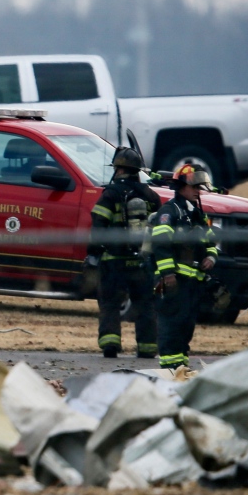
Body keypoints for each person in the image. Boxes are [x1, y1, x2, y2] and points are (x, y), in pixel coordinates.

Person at [86, 147, 161, 359]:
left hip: (114, 261)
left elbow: (98, 225)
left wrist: (93, 253)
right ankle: (147, 348)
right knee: (145, 304)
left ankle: (110, 344)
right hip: (142, 262)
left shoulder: (111, 194)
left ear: (119, 170)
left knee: (109, 303)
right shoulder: (151, 196)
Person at [151, 163, 218, 369]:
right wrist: (168, 274)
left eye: (200, 187)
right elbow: (160, 244)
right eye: (195, 187)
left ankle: (181, 368)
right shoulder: (169, 212)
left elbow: (211, 242)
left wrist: (211, 257)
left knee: (186, 326)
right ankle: (169, 370)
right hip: (174, 281)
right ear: (181, 186)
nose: (198, 191)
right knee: (171, 325)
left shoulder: (197, 215)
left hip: (192, 283)